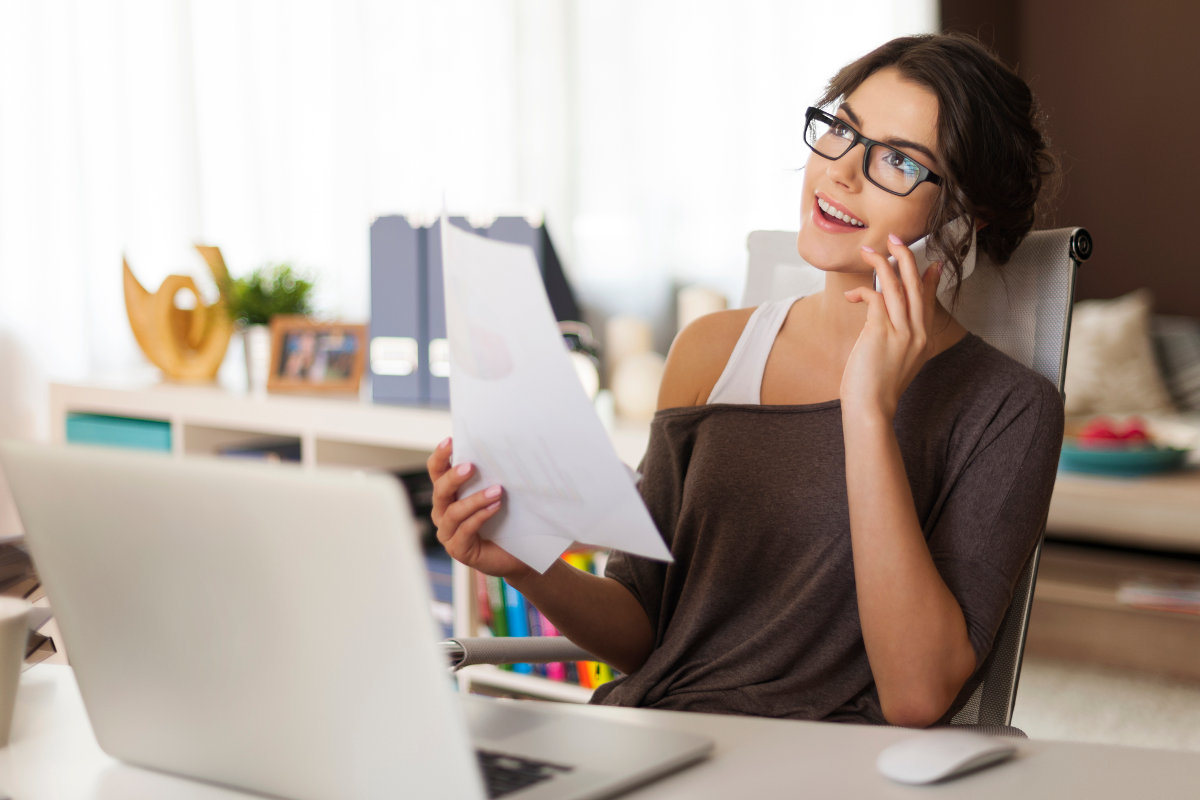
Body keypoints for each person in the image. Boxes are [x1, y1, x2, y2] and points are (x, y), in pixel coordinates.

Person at [427, 32, 1062, 728]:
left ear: (967, 216)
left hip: (824, 768)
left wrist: (867, 411)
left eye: (899, 162)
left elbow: (917, 696)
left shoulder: (1010, 408)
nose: (842, 173)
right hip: (656, 737)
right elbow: (644, 632)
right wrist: (521, 563)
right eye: (842, 131)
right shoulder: (709, 351)